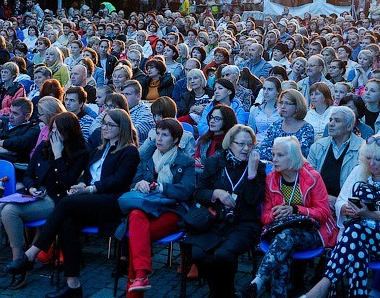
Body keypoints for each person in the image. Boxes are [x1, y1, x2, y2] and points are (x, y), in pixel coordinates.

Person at [6, 109, 141, 298]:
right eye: (104, 123)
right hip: (89, 201)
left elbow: (118, 181)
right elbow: (87, 177)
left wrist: (90, 189)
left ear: (123, 128)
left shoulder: (129, 151)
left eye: (110, 125)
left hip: (111, 202)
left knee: (66, 204)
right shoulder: (98, 150)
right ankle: (73, 285)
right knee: (67, 221)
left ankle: (31, 254)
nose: (105, 128)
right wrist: (80, 185)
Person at [0, 111, 89, 294]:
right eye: (51, 129)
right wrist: (30, 188)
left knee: (9, 212)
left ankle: (20, 261)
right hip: (34, 193)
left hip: (56, 199)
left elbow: (66, 183)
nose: (52, 135)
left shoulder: (80, 153)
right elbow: (29, 174)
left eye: (58, 131)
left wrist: (58, 155)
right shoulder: (43, 147)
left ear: (69, 132)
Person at [303, 134, 380, 298]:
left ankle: (322, 287)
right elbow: (341, 200)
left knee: (354, 231)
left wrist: (369, 214)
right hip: (357, 239)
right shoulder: (359, 172)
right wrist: (345, 209)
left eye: (378, 159)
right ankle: (357, 294)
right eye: (369, 158)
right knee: (357, 247)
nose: (372, 163)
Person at [242, 137, 336, 298]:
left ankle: (258, 281)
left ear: (292, 156)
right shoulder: (272, 179)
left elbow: (323, 213)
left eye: (280, 155)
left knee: (284, 238)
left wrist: (295, 210)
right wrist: (274, 214)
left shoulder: (312, 177)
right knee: (283, 248)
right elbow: (265, 216)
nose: (274, 159)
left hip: (312, 232)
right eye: (273, 154)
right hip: (281, 232)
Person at [186, 124, 265, 298]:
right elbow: (199, 193)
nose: (246, 149)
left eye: (249, 144)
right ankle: (221, 292)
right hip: (216, 219)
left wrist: (252, 175)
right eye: (241, 144)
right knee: (199, 254)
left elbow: (254, 201)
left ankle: (224, 293)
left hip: (244, 223)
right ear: (230, 143)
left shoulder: (257, 166)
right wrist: (215, 193)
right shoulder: (215, 162)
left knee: (224, 255)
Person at [123, 118, 195, 295]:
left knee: (137, 235)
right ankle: (141, 277)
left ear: (176, 140)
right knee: (135, 218)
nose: (159, 139)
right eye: (158, 133)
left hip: (172, 210)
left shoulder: (185, 161)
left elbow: (186, 192)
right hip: (147, 208)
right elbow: (131, 183)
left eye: (165, 135)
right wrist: (139, 184)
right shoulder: (148, 158)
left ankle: (136, 286)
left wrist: (162, 187)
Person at [307, 106, 365, 210]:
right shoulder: (317, 146)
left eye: (337, 121)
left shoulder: (363, 149)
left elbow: (361, 183)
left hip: (349, 206)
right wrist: (324, 198)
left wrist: (340, 202)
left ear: (349, 126)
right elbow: (308, 179)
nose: (331, 124)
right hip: (319, 202)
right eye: (330, 120)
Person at [257, 89, 315, 160]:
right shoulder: (276, 126)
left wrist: (276, 154)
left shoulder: (306, 129)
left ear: (297, 106)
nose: (283, 106)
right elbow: (263, 150)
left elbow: (301, 155)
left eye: (287, 103)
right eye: (281, 103)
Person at [0, 98, 39, 165]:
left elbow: (21, 142)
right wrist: (2, 150)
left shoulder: (33, 129)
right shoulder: (4, 124)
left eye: (15, 114)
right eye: (10, 111)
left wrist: (2, 142)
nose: (10, 116)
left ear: (27, 116)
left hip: (9, 164)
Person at [194, 104, 237, 170]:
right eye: (211, 117)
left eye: (217, 118)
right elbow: (196, 163)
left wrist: (204, 166)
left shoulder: (232, 144)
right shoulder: (204, 140)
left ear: (227, 121)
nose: (212, 121)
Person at [249, 76, 282, 144]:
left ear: (278, 92)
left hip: (277, 147)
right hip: (257, 146)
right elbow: (251, 132)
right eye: (264, 89)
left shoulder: (283, 111)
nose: (265, 92)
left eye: (270, 89)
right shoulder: (255, 110)